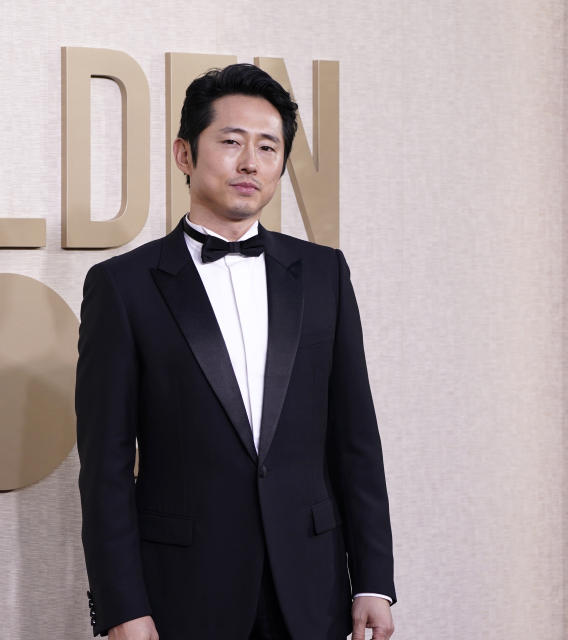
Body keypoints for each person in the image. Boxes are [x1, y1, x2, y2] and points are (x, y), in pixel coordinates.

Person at [75, 63, 396, 640]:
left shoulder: (324, 274)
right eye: (231, 142)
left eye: (268, 147)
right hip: (184, 591)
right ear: (184, 154)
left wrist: (372, 579)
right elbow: (105, 469)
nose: (251, 163)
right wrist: (123, 605)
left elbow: (355, 438)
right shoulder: (122, 287)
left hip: (311, 587)